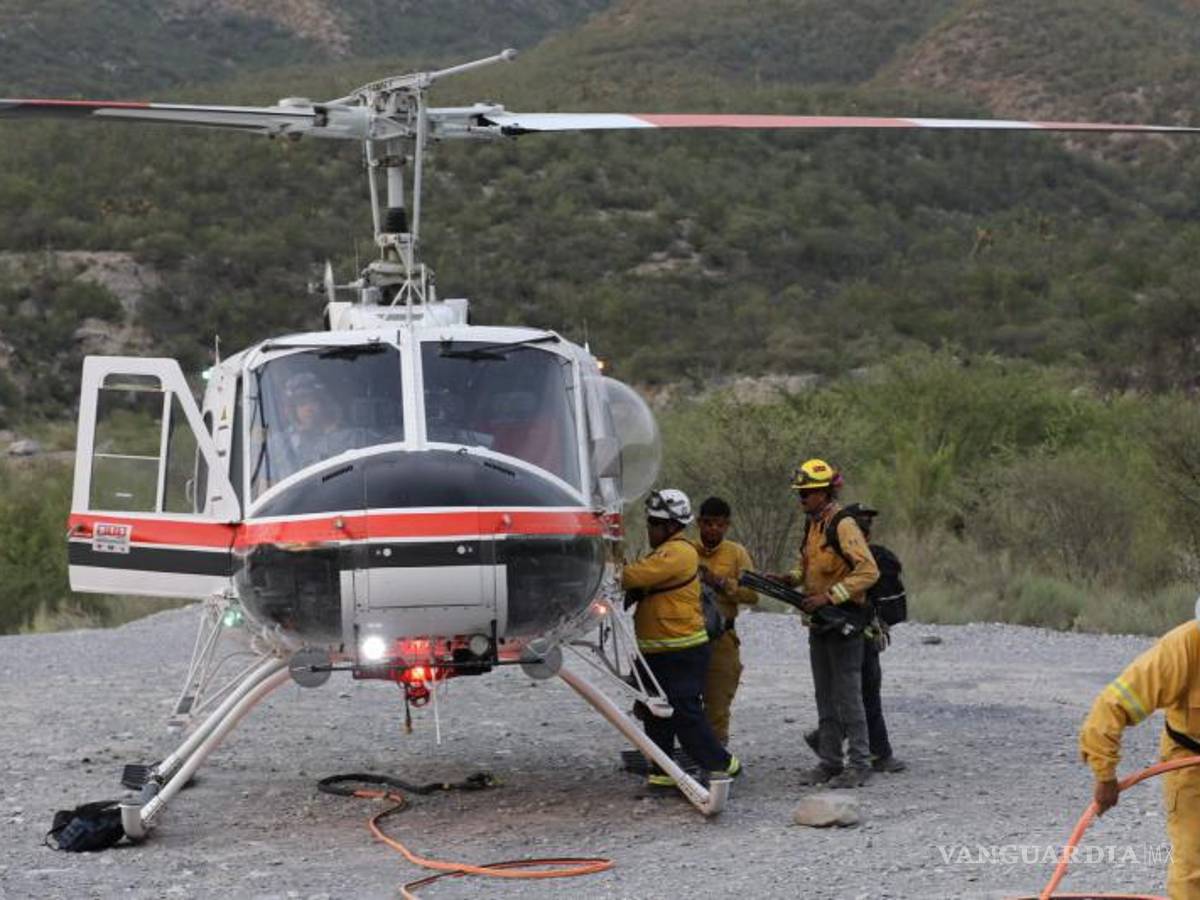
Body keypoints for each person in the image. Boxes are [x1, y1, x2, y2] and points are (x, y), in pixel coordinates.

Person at [1078, 602, 1200, 898]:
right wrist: (1105, 777)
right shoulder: (1180, 649)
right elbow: (1110, 707)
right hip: (1190, 764)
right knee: (1194, 864)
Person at [622, 489, 741, 787]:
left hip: (680, 649)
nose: (649, 528)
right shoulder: (667, 551)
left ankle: (723, 764)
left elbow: (633, 576)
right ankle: (663, 772)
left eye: (653, 523)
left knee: (685, 713)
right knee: (655, 711)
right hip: (659, 649)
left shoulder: (678, 552)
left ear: (671, 526)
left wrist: (612, 569)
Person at [778, 458, 879, 789]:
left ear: (824, 492)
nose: (802, 498)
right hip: (819, 624)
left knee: (848, 695)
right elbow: (808, 565)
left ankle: (860, 763)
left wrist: (829, 596)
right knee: (825, 694)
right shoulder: (813, 524)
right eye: (800, 493)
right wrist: (789, 579)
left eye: (808, 493)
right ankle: (830, 761)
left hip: (844, 622)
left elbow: (868, 571)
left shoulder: (843, 524)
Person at [803, 503, 906, 773]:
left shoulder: (860, 560)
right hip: (861, 633)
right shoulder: (862, 556)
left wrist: (829, 597)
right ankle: (872, 754)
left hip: (857, 632)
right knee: (860, 697)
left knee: (854, 697)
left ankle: (868, 755)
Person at [691, 496, 758, 746]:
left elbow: (752, 595)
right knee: (684, 702)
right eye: (708, 523)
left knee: (718, 704)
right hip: (687, 636)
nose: (713, 529)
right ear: (699, 523)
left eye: (719, 524)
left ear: (727, 525)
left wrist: (721, 583)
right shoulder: (685, 550)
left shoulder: (737, 553)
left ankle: (716, 761)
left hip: (721, 638)